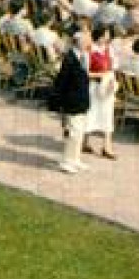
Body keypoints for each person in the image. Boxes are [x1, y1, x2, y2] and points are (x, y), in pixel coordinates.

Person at [49, 30, 93, 174]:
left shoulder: (83, 56)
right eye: (86, 40)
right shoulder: (70, 59)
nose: (89, 42)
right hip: (72, 101)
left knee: (80, 132)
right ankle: (67, 160)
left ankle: (75, 159)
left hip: (81, 100)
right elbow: (62, 82)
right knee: (73, 133)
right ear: (79, 42)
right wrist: (61, 103)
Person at [84, 29, 118, 159]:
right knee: (90, 114)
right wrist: (102, 74)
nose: (108, 38)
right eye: (106, 35)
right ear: (99, 37)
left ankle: (107, 146)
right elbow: (85, 72)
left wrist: (111, 80)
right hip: (93, 87)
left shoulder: (109, 50)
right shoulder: (90, 50)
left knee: (107, 116)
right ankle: (85, 142)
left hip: (106, 87)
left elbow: (112, 67)